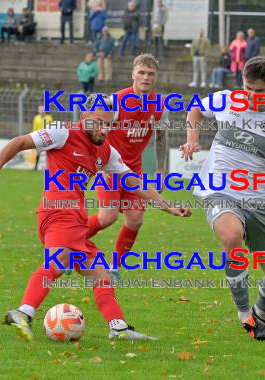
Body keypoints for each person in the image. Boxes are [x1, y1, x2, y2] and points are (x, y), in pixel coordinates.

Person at [0, 94, 191, 342]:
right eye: (98, 122)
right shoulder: (62, 133)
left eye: (109, 124)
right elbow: (19, 142)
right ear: (83, 118)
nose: (104, 129)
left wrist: (168, 207)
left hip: (75, 218)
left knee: (102, 274)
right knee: (57, 263)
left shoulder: (106, 151)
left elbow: (134, 182)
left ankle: (118, 328)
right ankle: (23, 312)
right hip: (58, 212)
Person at [179, 56, 265, 340]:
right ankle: (246, 318)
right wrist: (193, 138)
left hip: (258, 199)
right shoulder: (225, 100)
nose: (251, 97)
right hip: (219, 189)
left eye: (260, 91)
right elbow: (194, 111)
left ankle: (262, 313)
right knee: (231, 236)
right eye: (247, 88)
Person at [86, 54, 169, 280]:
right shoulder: (115, 102)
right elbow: (92, 126)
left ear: (156, 77)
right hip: (110, 170)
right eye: (141, 72)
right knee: (107, 217)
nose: (145, 77)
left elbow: (161, 139)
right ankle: (69, 240)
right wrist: (94, 161)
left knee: (135, 219)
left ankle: (114, 268)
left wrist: (161, 171)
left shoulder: (161, 105)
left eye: (150, 74)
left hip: (135, 172)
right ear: (132, 74)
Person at [31, 105, 53, 170]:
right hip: (38, 137)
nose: (41, 111)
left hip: (47, 137)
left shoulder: (49, 117)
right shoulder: (36, 118)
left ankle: (48, 167)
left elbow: (51, 127)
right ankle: (36, 166)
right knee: (38, 152)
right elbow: (34, 128)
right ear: (38, 110)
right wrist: (33, 137)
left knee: (48, 153)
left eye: (43, 109)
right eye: (40, 109)